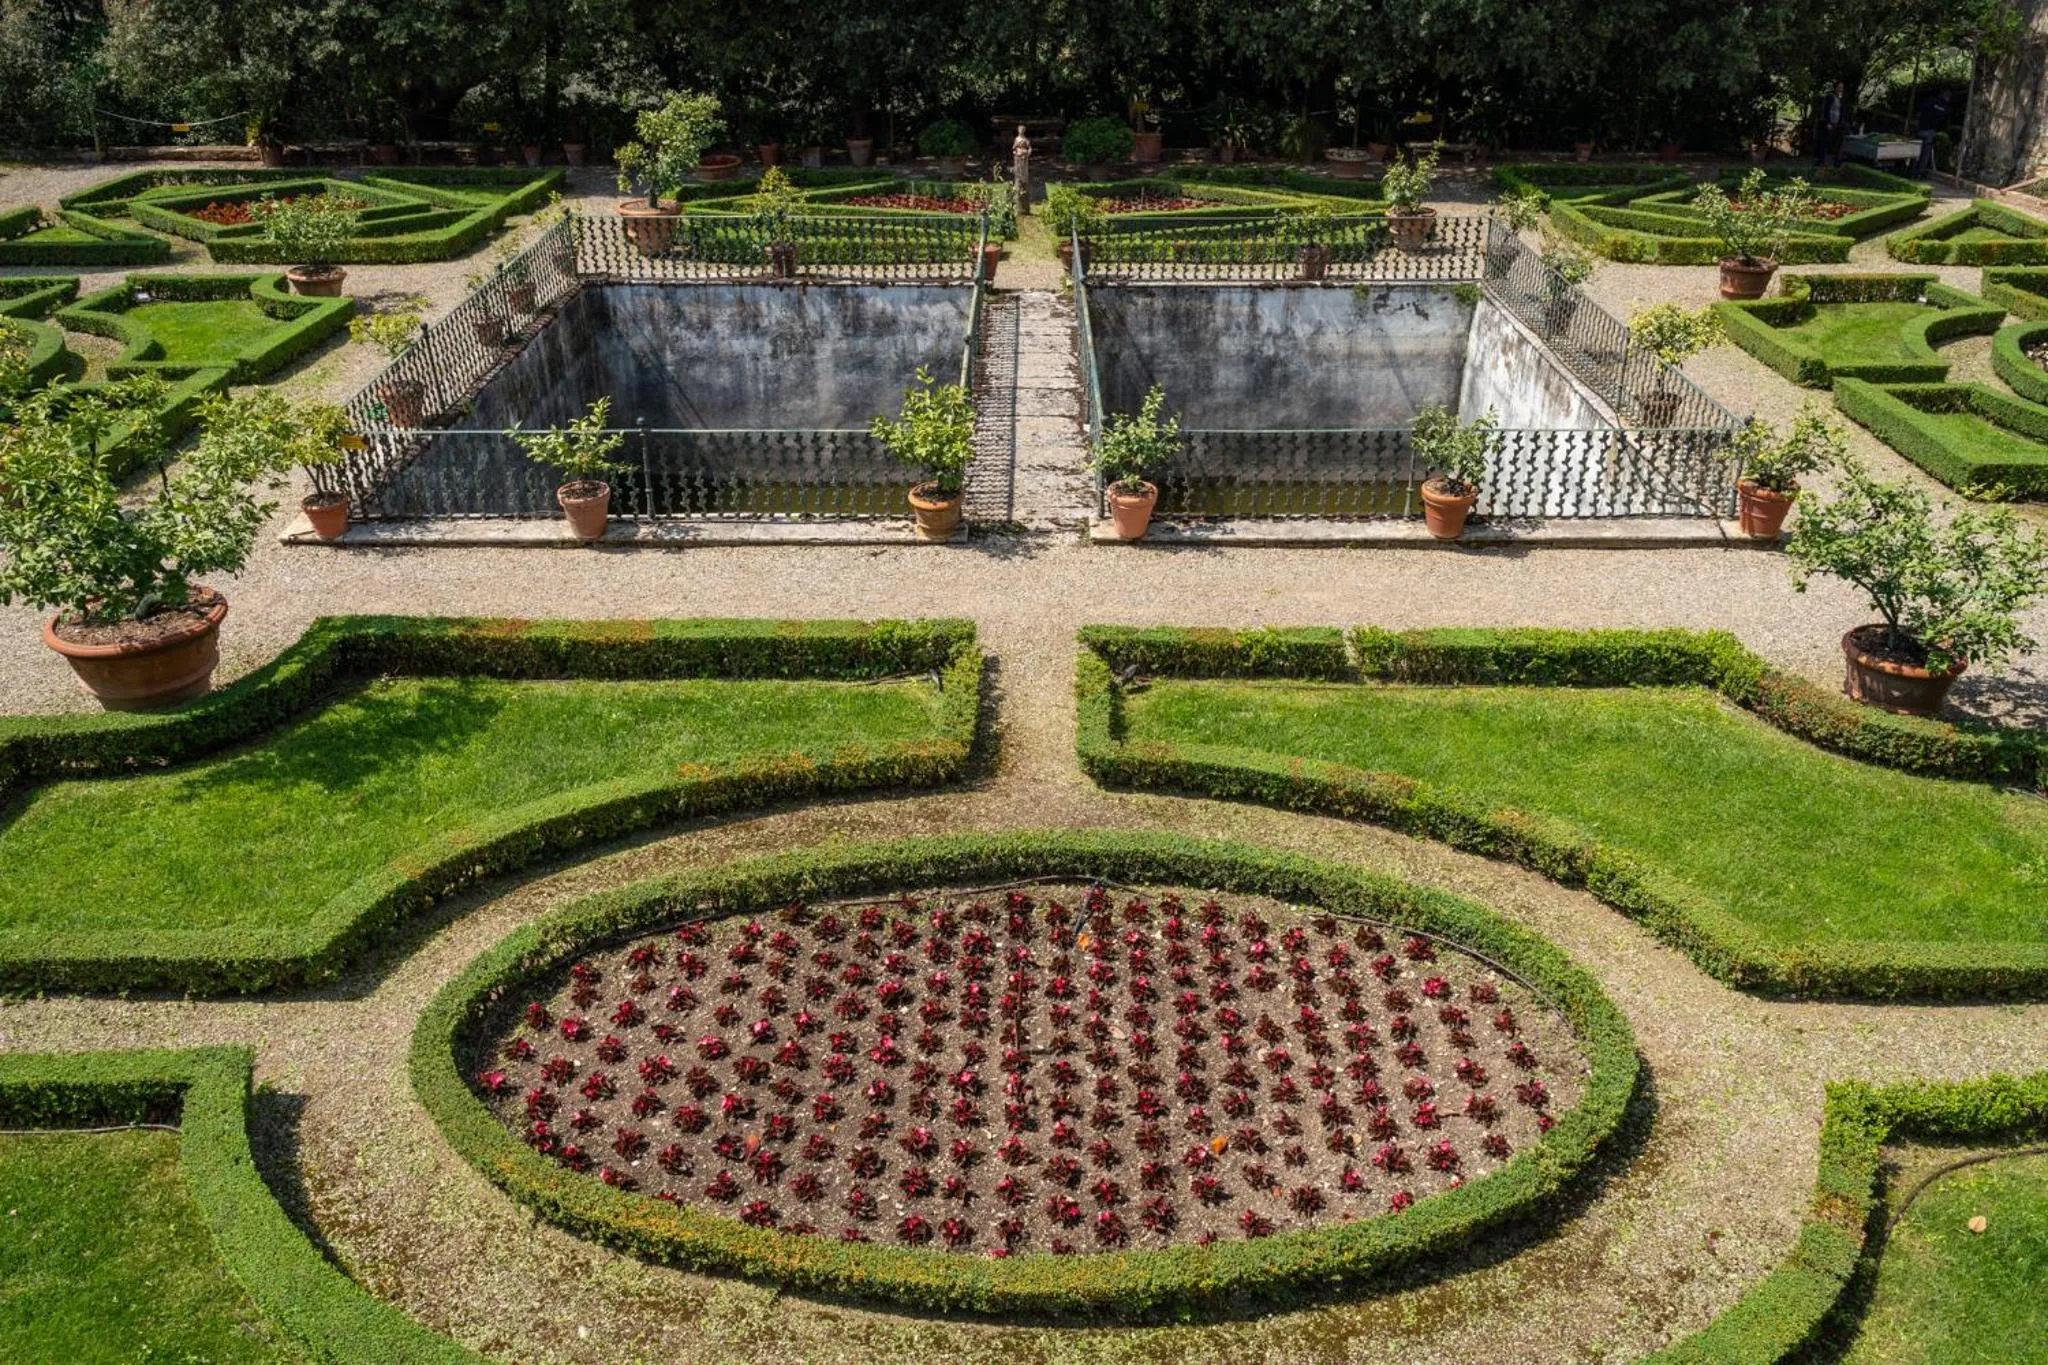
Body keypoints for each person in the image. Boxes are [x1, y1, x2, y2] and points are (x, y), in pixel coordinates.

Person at [1915, 91, 1950, 177]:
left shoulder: (1930, 101)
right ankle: (1919, 173)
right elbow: (1944, 122)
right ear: (1946, 97)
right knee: (1925, 153)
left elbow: (1919, 109)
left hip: (1921, 129)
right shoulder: (1944, 108)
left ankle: (1912, 170)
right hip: (1931, 131)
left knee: (1916, 151)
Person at [1814, 81, 1848, 169]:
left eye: (1842, 87)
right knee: (1825, 142)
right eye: (1839, 87)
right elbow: (1826, 110)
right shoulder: (1830, 96)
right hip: (1830, 123)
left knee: (1836, 143)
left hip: (1837, 124)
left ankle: (1835, 162)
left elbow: (1842, 111)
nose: (1840, 89)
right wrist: (1827, 122)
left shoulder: (1841, 98)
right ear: (1835, 87)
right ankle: (1821, 160)